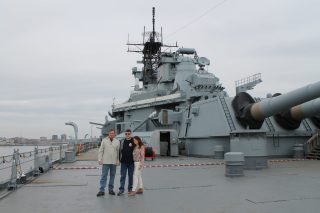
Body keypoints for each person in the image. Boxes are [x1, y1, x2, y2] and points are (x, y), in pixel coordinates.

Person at [97, 129, 120, 197]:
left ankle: (111, 189)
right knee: (104, 176)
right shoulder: (104, 140)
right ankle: (101, 190)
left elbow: (118, 152)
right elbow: (101, 150)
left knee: (112, 176)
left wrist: (118, 160)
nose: (111, 134)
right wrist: (99, 159)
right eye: (110, 133)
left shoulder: (117, 141)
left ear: (114, 134)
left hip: (114, 162)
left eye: (113, 133)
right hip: (105, 161)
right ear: (108, 134)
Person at [117, 129, 134, 196]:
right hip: (123, 162)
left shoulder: (133, 141)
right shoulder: (122, 141)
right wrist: (118, 160)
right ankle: (121, 189)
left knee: (130, 176)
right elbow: (119, 151)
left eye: (128, 134)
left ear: (131, 134)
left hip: (131, 162)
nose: (127, 135)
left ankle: (130, 189)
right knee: (123, 176)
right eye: (126, 134)